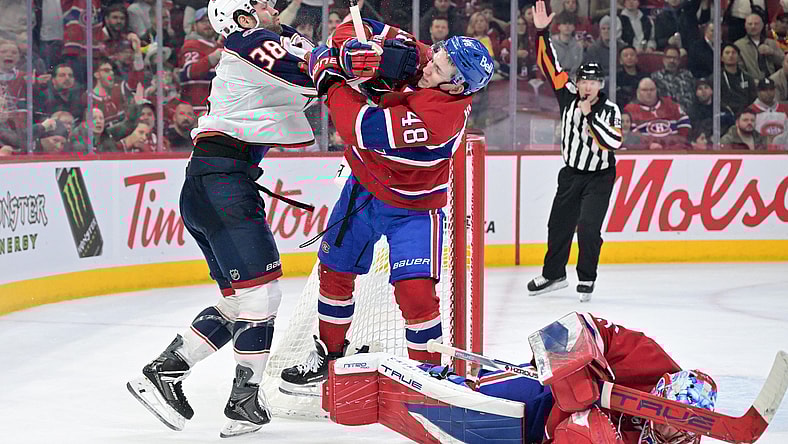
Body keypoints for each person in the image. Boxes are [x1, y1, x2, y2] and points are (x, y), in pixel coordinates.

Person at [126, 0, 318, 438]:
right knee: (261, 297)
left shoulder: (260, 42)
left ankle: (164, 371)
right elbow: (312, 75)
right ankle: (244, 401)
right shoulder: (250, 40)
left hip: (213, 184)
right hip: (223, 186)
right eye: (262, 3)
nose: (273, 6)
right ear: (244, 17)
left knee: (240, 301)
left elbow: (309, 66)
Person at [279, 18, 494, 390]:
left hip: (413, 210)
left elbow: (358, 128)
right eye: (436, 55)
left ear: (455, 86)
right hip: (362, 190)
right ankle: (330, 357)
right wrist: (351, 51)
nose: (429, 64)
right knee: (334, 271)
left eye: (439, 67)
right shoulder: (427, 60)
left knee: (416, 296)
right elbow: (353, 26)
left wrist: (330, 77)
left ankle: (427, 381)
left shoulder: (440, 118)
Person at [329, 311, 718, 444]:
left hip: (560, 433)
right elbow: (579, 326)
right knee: (471, 401)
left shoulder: (683, 439)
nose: (666, 428)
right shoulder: (649, 362)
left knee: (589, 432)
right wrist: (566, 365)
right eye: (664, 413)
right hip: (548, 399)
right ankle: (423, 378)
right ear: (660, 389)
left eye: (677, 428)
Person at [526, 0, 622, 303]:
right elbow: (549, 65)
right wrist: (541, 32)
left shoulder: (609, 109)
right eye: (584, 80)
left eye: (594, 82)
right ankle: (554, 274)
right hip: (571, 174)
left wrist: (590, 117)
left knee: (589, 228)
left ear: (601, 84)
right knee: (558, 225)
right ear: (577, 82)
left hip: (599, 177)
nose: (588, 86)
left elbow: (613, 142)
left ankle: (587, 277)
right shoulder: (567, 95)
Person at [625, 77, 691, 150]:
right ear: (638, 92)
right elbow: (630, 133)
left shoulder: (670, 105)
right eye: (644, 90)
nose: (649, 93)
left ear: (656, 90)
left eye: (652, 90)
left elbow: (684, 122)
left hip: (674, 149)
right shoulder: (630, 110)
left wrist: (680, 141)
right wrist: (648, 145)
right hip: (647, 152)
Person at [178, 7, 222, 115]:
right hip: (196, 109)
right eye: (203, 21)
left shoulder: (219, 46)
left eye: (210, 21)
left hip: (217, 108)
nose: (207, 24)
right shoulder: (191, 45)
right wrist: (212, 58)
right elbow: (190, 72)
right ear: (194, 26)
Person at [734, 13, 783, 82]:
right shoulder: (738, 45)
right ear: (745, 26)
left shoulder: (771, 43)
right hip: (752, 83)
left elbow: (783, 61)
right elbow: (738, 69)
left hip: (773, 82)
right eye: (750, 24)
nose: (753, 26)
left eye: (756, 24)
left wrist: (772, 52)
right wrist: (752, 81)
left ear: (762, 26)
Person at [651, 46, 696, 111]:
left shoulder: (687, 75)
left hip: (688, 112)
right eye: (669, 57)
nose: (672, 60)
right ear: (663, 59)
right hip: (666, 112)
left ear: (679, 60)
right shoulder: (655, 77)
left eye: (675, 58)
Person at [721, 43, 757, 115]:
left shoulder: (748, 78)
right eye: (727, 53)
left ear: (738, 57)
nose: (730, 55)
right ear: (721, 58)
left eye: (733, 53)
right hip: (726, 114)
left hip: (746, 114)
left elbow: (753, 98)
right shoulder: (715, 79)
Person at [748, 76, 788, 142]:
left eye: (771, 89)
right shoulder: (749, 111)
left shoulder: (785, 108)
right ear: (758, 92)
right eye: (764, 90)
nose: (768, 93)